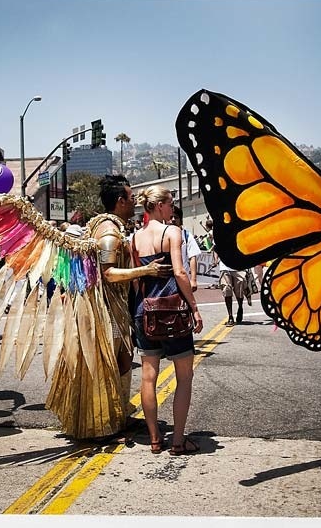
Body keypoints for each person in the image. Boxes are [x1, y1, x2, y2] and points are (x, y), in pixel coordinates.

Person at [57, 174, 169, 438]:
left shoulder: (101, 225)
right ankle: (111, 419)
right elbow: (108, 273)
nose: (134, 203)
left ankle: (109, 416)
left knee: (112, 361)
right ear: (120, 201)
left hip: (105, 305)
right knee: (119, 360)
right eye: (131, 199)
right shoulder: (109, 232)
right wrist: (147, 271)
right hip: (107, 307)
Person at [132, 185, 203, 454]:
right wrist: (194, 307)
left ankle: (154, 439)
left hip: (144, 311)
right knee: (184, 377)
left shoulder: (134, 238)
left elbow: (136, 278)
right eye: (171, 203)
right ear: (159, 205)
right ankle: (177, 441)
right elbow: (180, 272)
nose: (173, 209)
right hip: (172, 311)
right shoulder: (172, 232)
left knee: (148, 376)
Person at [171, 205, 201, 292]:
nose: (173, 220)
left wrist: (193, 280)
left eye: (176, 217)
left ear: (181, 220)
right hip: (167, 280)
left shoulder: (186, 235)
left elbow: (192, 257)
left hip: (183, 279)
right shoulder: (162, 234)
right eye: (170, 217)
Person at [217, 259, 248, 326]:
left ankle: (240, 307)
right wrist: (215, 259)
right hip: (224, 267)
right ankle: (230, 316)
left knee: (239, 292)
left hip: (239, 267)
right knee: (227, 290)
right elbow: (216, 249)